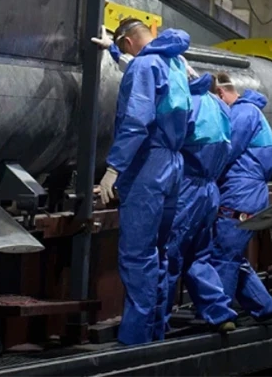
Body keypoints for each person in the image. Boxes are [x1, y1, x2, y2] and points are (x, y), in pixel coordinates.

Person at [92, 18, 192, 345]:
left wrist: (113, 168)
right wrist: (113, 52)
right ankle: (155, 334)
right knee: (159, 254)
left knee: (137, 256)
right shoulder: (174, 63)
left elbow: (137, 120)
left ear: (128, 42)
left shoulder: (144, 65)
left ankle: (135, 343)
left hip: (148, 165)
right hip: (173, 165)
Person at [162, 71, 237, 333]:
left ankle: (157, 324)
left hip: (187, 190)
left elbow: (167, 143)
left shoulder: (185, 103)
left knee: (169, 255)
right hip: (209, 190)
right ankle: (220, 312)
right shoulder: (218, 105)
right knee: (199, 256)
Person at [211, 72, 272, 324]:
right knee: (232, 256)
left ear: (220, 94)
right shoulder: (251, 112)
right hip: (246, 194)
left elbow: (224, 152)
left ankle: (220, 317)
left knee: (223, 255)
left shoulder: (242, 113)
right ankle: (265, 308)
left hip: (239, 195)